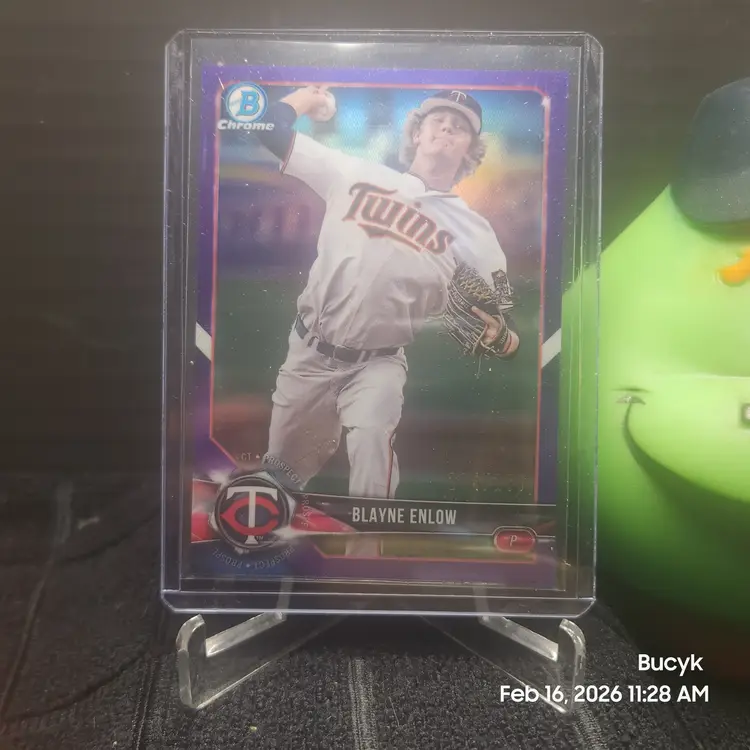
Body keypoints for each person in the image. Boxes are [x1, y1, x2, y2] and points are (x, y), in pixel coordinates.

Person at [252, 86, 519, 500]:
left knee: (373, 452)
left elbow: (505, 319)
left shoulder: (475, 232)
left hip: (379, 364)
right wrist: (310, 96)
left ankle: (373, 535)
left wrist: (501, 338)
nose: (447, 127)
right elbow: (268, 127)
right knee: (280, 478)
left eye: (460, 126)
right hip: (309, 352)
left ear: (470, 149)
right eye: (437, 120)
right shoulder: (354, 172)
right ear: (416, 133)